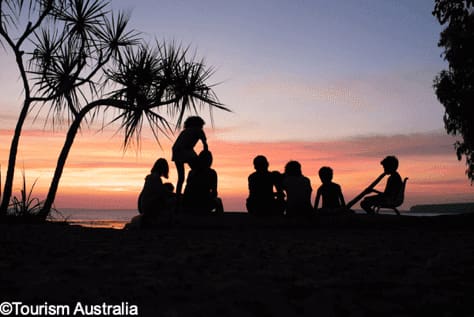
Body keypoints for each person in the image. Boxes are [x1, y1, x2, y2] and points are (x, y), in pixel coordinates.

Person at [172, 116, 208, 199]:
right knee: (198, 172)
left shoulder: (185, 131)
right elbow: (205, 144)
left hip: (176, 150)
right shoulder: (199, 130)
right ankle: (195, 193)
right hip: (186, 150)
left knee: (181, 178)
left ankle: (178, 198)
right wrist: (205, 157)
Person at [136, 158, 174, 226]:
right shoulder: (155, 178)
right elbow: (164, 192)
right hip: (148, 207)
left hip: (143, 207)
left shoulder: (150, 178)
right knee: (171, 201)